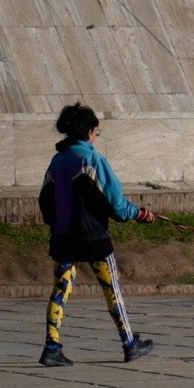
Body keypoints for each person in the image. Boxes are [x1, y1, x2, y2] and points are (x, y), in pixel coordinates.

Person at [38, 102, 155, 367]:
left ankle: (51, 346)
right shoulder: (93, 160)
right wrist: (138, 214)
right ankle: (129, 342)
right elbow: (116, 203)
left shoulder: (56, 162)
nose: (96, 137)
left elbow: (44, 199)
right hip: (94, 240)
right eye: (96, 132)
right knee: (112, 289)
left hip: (63, 238)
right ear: (90, 132)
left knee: (60, 291)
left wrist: (57, 224)